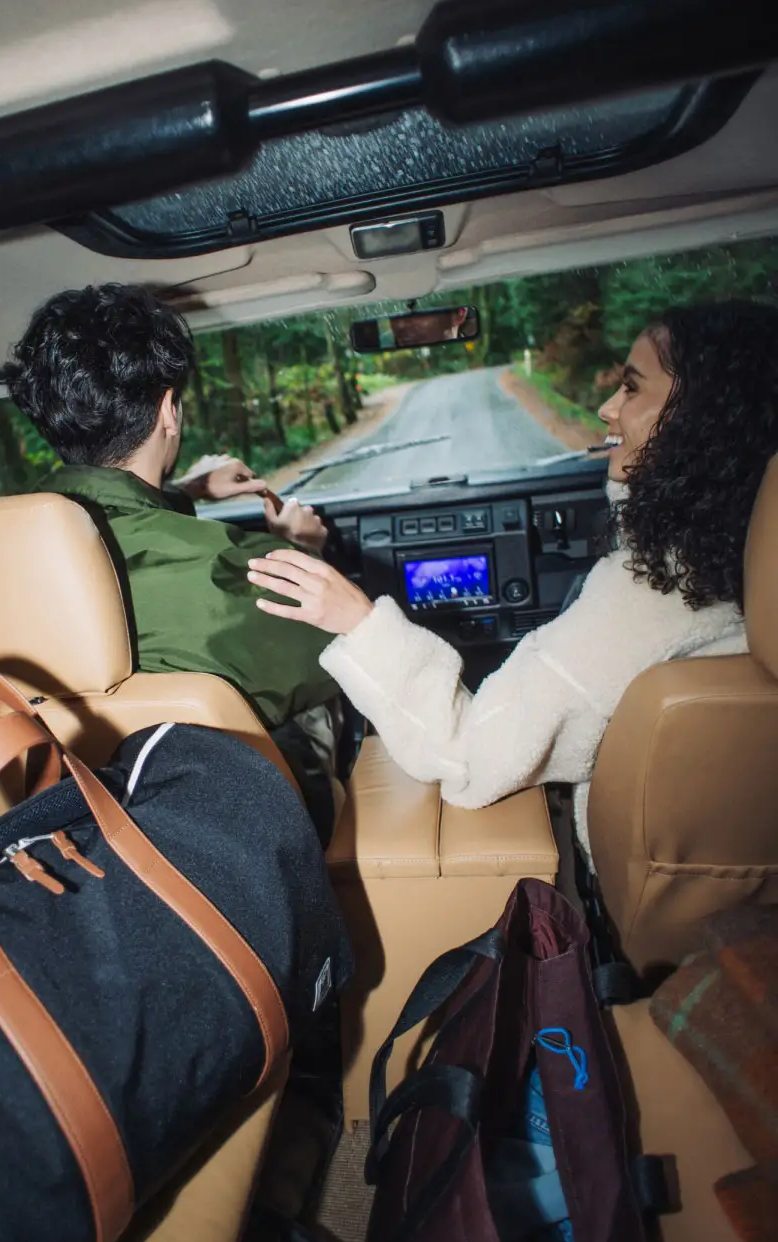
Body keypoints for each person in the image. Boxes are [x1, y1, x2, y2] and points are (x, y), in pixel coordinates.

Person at [245, 300, 778, 863]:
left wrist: (357, 621)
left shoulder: (648, 599)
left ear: (703, 416)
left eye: (631, 388)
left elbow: (466, 759)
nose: (606, 407)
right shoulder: (738, 566)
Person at [4, 283, 344, 817]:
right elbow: (341, 651)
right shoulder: (233, 568)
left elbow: (113, 520)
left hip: (59, 820)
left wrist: (184, 492)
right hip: (218, 831)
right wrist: (300, 549)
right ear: (169, 410)